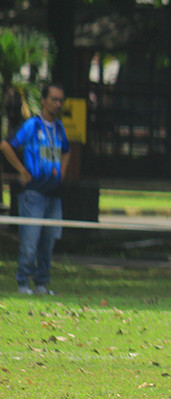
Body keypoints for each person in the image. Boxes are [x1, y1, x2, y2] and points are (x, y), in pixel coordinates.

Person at [1, 83, 70, 295]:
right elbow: (6, 145)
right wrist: (22, 170)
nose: (58, 104)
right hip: (33, 193)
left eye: (61, 100)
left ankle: (41, 284)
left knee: (48, 242)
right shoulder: (32, 125)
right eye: (54, 99)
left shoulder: (59, 128)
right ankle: (23, 282)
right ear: (43, 100)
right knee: (30, 241)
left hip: (53, 194)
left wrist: (62, 173)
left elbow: (66, 151)